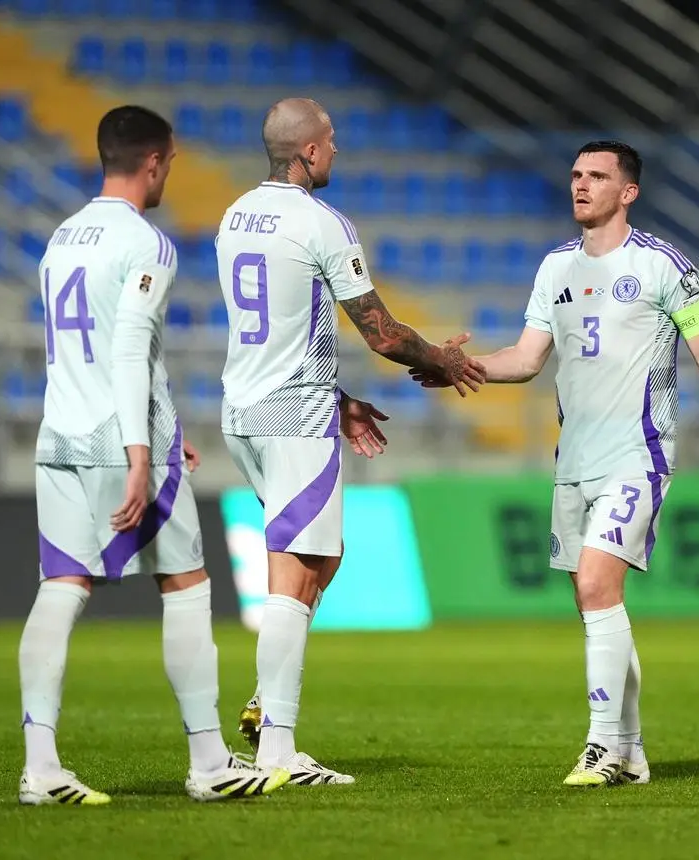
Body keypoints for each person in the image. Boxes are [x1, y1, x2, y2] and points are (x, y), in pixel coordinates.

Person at [413, 140, 699, 786]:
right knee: (598, 607)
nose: (581, 185)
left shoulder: (664, 266)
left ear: (629, 193)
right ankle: (634, 751)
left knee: (597, 587)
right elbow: (529, 358)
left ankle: (601, 747)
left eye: (597, 176)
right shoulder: (555, 268)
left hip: (638, 456)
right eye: (575, 175)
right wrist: (458, 363)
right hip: (574, 462)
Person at [19, 105, 290, 805]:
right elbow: (129, 348)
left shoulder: (61, 237)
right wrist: (143, 453)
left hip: (59, 438)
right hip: (124, 442)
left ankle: (40, 766)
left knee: (61, 588)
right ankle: (209, 763)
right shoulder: (147, 243)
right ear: (154, 162)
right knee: (187, 585)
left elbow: (88, 347)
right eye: (169, 161)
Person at [216, 97, 485, 786]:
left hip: (244, 408)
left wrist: (338, 399)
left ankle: (269, 703)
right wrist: (445, 361)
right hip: (292, 416)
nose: (335, 151)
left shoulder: (235, 214)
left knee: (318, 563)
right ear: (307, 152)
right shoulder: (322, 224)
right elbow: (385, 334)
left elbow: (277, 329)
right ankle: (276, 744)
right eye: (330, 141)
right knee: (296, 571)